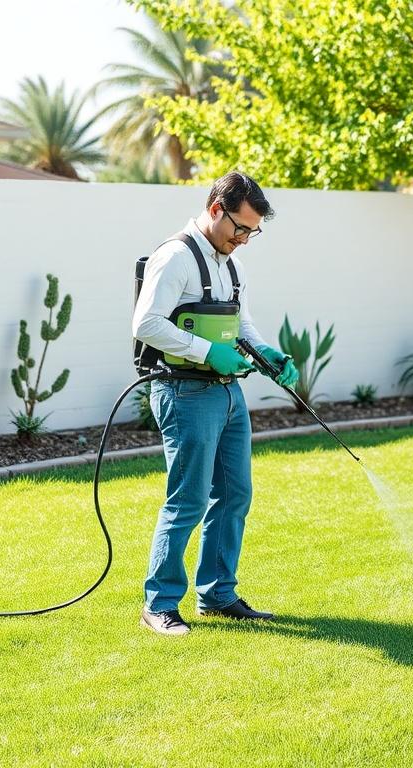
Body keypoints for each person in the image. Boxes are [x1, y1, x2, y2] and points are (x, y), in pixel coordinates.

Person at [131, 171, 298, 636]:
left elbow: (241, 326)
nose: (243, 239)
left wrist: (268, 354)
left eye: (252, 232)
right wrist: (208, 352)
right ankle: (159, 604)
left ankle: (218, 595)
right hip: (184, 393)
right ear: (215, 210)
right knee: (187, 499)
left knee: (235, 494)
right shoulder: (175, 257)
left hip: (227, 393)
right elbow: (146, 324)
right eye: (239, 228)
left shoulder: (231, 264)